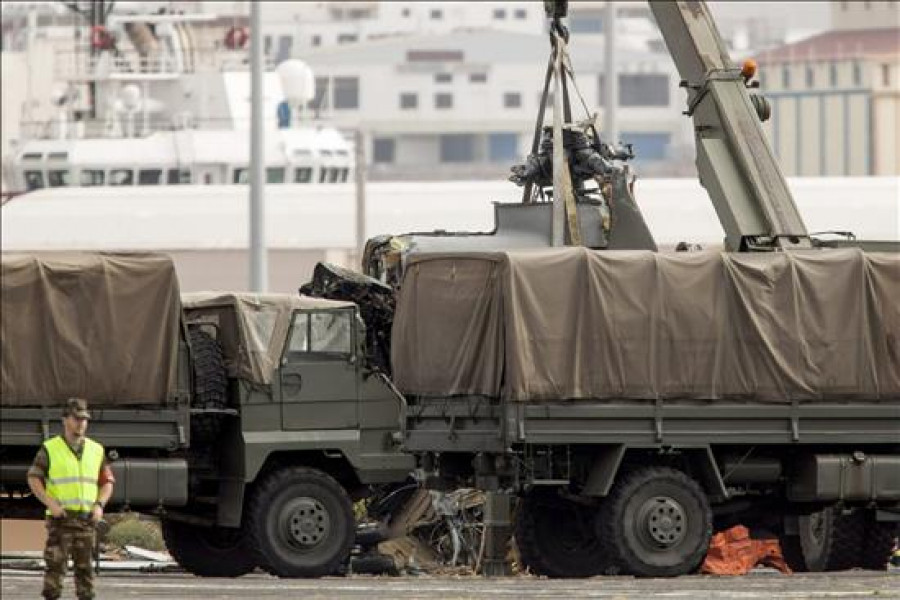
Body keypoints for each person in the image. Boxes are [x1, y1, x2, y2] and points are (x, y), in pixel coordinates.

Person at [27, 398, 115, 600]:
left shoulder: (96, 450)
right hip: (61, 520)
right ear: (65, 419)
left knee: (85, 577)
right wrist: (50, 503)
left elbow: (107, 481)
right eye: (76, 418)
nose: (81, 423)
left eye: (84, 419)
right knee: (54, 574)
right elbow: (33, 478)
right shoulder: (50, 448)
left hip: (86, 521)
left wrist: (99, 505)